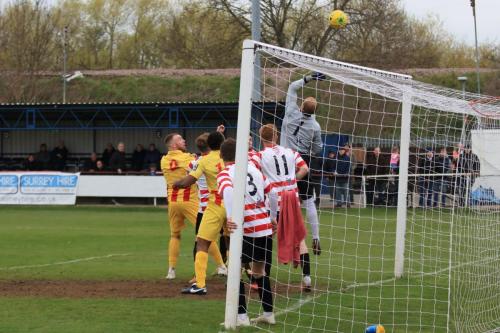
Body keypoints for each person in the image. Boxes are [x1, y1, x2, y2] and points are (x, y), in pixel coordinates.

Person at [218, 138, 276, 326]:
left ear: (221, 155)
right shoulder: (254, 169)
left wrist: (230, 216)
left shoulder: (226, 173)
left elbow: (227, 191)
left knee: (234, 271)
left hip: (246, 229)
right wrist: (273, 217)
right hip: (264, 227)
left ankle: (242, 317)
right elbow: (273, 193)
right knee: (260, 272)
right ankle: (269, 314)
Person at [250, 124, 312, 291]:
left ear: (261, 138)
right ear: (276, 136)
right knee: (300, 239)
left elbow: (253, 172)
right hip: (292, 199)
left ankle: (261, 280)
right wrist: (292, 181)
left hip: (274, 202)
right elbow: (305, 168)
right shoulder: (291, 152)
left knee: (266, 239)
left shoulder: (260, 155)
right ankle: (307, 278)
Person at [160, 133, 224, 281]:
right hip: (190, 201)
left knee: (175, 235)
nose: (183, 140)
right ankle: (221, 265)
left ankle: (171, 270)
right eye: (180, 139)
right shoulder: (189, 159)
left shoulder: (163, 160)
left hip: (172, 202)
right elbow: (206, 155)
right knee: (205, 234)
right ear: (174, 144)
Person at [175, 127, 227, 295]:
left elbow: (188, 181)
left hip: (215, 204)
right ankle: (236, 279)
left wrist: (177, 183)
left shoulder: (203, 161)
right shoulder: (231, 157)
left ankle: (200, 284)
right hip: (234, 204)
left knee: (202, 242)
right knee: (232, 242)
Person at [280, 72, 324, 255]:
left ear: (300, 105)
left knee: (281, 197)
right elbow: (318, 148)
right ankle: (316, 237)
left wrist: (308, 78)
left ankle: (277, 233)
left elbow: (292, 87)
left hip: (284, 160)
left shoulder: (290, 112)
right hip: (303, 162)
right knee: (309, 200)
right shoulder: (315, 126)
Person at [187, 133, 227, 284]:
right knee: (227, 238)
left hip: (206, 207)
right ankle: (225, 266)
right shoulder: (226, 159)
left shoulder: (196, 162)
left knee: (201, 241)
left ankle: (199, 278)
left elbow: (190, 176)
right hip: (227, 203)